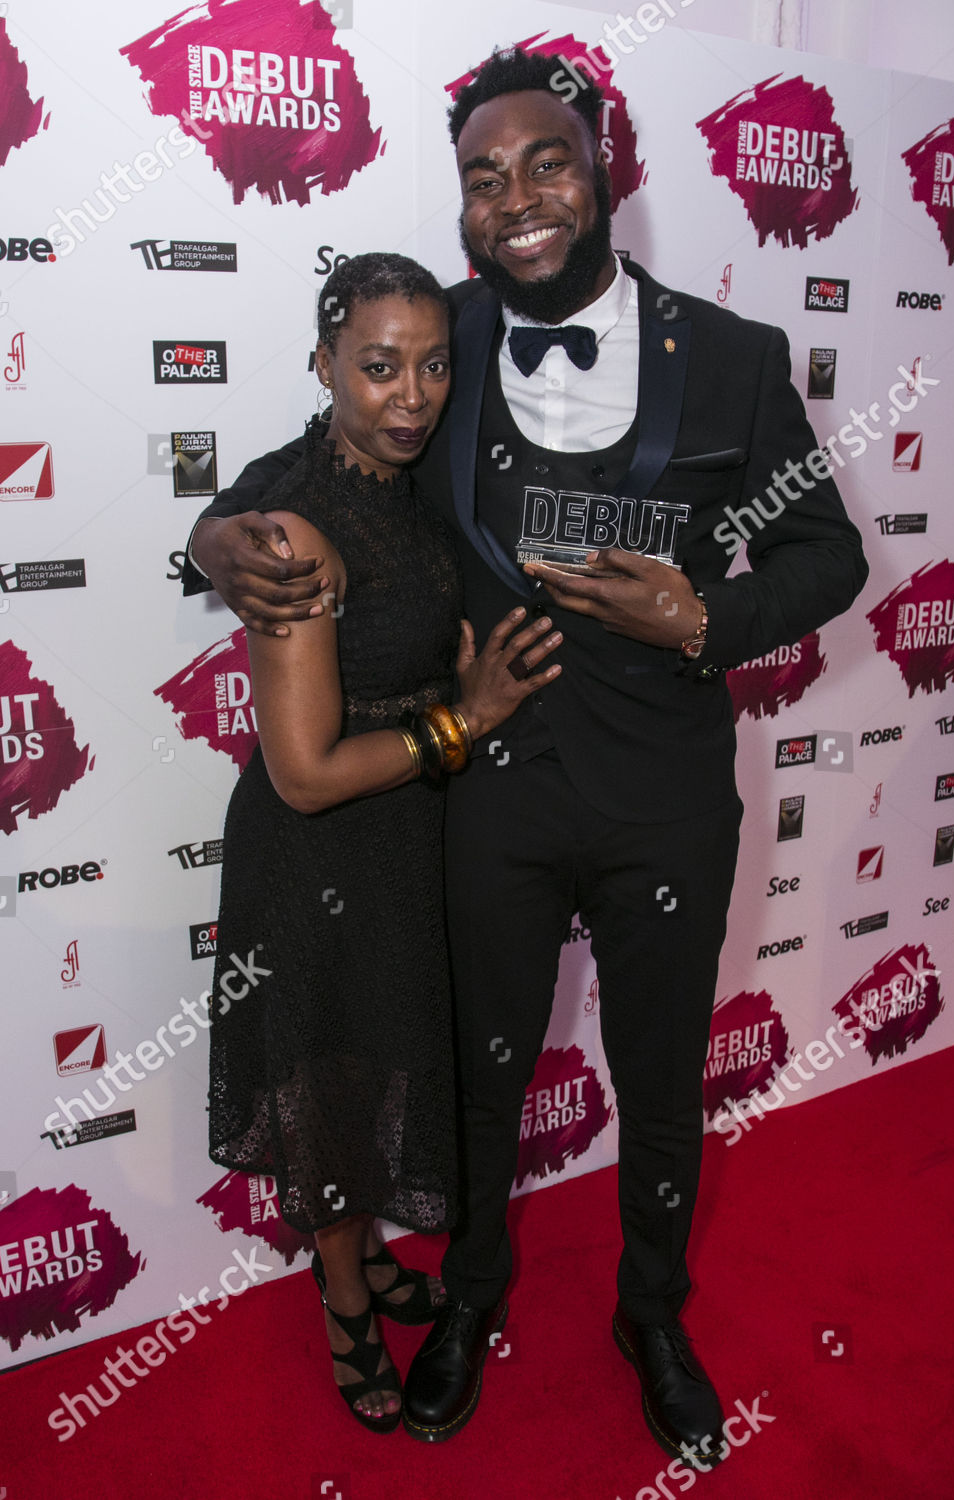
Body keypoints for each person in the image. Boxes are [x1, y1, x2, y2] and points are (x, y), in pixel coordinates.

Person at [185, 50, 868, 1463]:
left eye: (544, 161)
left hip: (667, 801)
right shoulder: (439, 349)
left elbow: (831, 553)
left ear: (603, 165)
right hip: (482, 801)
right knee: (479, 1077)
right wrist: (206, 542)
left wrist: (710, 614)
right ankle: (473, 1294)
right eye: (482, 180)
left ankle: (654, 1316)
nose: (518, 200)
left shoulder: (732, 359)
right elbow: (314, 469)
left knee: (662, 1078)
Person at [204, 251, 561, 1436]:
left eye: (430, 365)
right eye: (375, 367)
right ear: (323, 368)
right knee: (339, 1088)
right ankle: (345, 1297)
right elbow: (303, 774)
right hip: (322, 860)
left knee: (391, 1066)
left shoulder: (415, 487)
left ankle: (356, 1265)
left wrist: (449, 691)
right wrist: (467, 716)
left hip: (410, 844)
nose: (409, 395)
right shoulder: (297, 524)